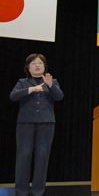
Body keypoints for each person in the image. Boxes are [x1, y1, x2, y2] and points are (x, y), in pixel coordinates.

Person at [10, 54, 64, 196]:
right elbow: (13, 96)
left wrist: (50, 85)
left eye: (40, 63)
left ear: (44, 66)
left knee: (42, 156)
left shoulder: (52, 81)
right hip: (25, 123)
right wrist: (31, 89)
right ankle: (21, 191)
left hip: (46, 124)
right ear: (28, 67)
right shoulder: (23, 82)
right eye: (33, 63)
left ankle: (38, 192)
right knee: (24, 156)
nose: (37, 66)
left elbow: (59, 96)